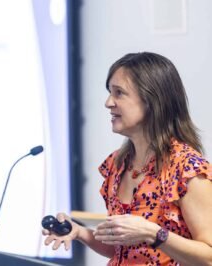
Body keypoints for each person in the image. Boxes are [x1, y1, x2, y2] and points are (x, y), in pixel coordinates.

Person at [42, 52, 212, 265]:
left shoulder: (187, 168)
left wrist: (154, 234)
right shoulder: (117, 164)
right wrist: (79, 232)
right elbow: (123, 249)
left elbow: (209, 257)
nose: (108, 103)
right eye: (109, 93)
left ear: (152, 100)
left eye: (119, 93)